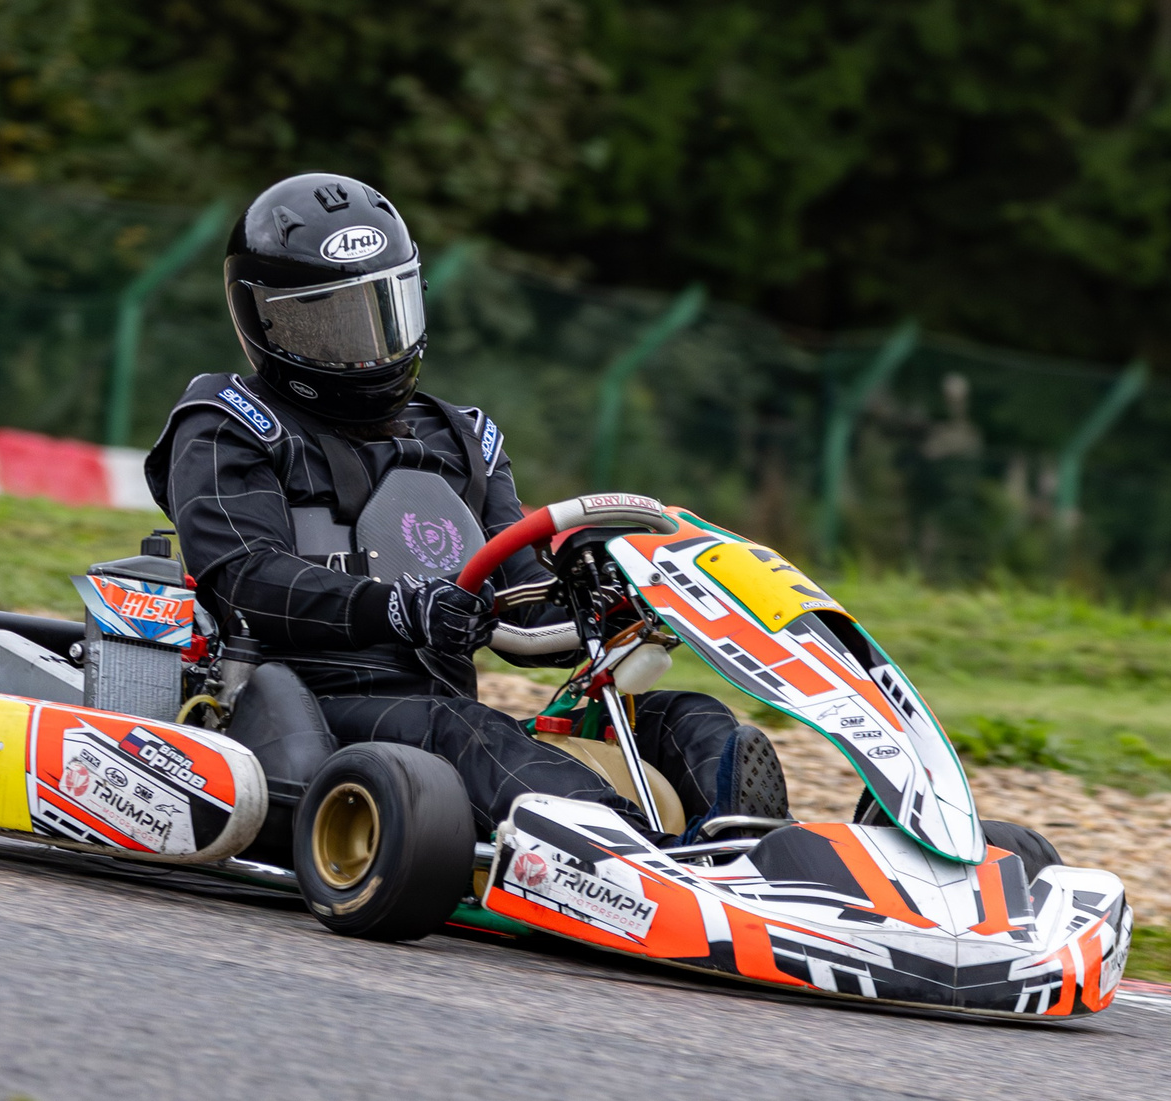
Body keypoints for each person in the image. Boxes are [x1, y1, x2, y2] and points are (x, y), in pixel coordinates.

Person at [145, 170, 785, 841]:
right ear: (263, 319)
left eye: (380, 310)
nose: (364, 347)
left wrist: (607, 597)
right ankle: (630, 862)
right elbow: (247, 579)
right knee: (470, 733)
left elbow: (528, 615)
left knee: (688, 719)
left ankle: (745, 852)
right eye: (329, 324)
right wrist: (394, 607)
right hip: (306, 707)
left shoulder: (459, 440)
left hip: (438, 718)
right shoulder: (229, 423)